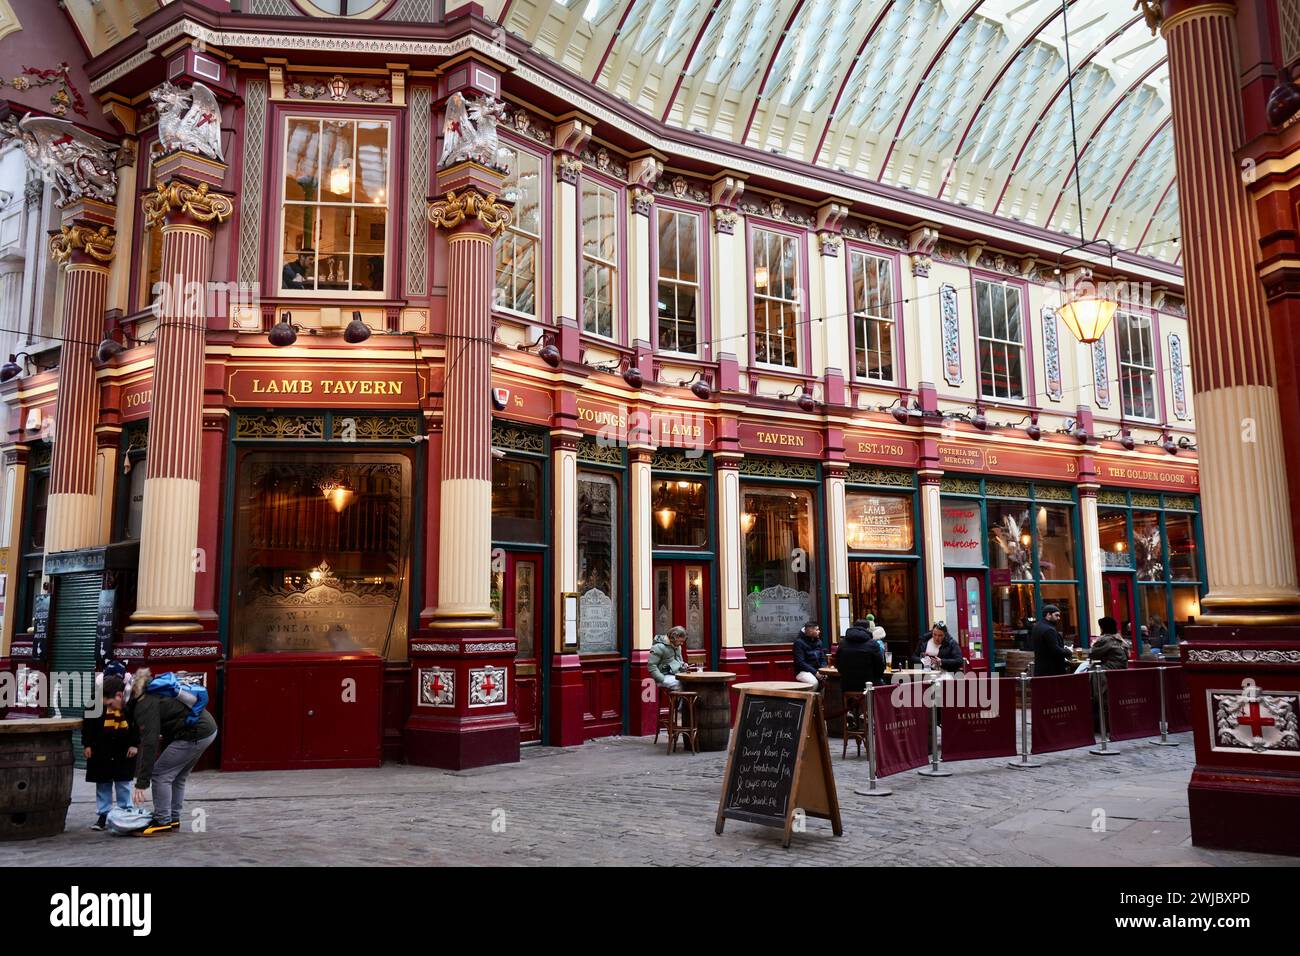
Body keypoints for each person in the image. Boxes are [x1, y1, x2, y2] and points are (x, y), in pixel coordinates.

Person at [127, 668, 218, 837]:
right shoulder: (148, 696)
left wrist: (142, 782)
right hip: (207, 729)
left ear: (121, 696)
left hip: (195, 733)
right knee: (176, 776)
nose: (109, 707)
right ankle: (172, 819)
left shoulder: (145, 704)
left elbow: (150, 742)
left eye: (109, 703)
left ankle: (162, 822)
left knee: (161, 774)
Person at [82, 675, 138, 832]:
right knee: (103, 782)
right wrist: (87, 744)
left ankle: (125, 812)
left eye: (111, 703)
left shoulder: (130, 704)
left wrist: (134, 744)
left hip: (123, 749)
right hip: (101, 748)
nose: (109, 706)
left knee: (123, 783)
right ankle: (104, 815)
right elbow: (88, 724)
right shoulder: (95, 702)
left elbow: (138, 724)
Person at [1032, 604, 1073, 676]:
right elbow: (1055, 649)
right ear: (1048, 615)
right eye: (1056, 615)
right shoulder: (1049, 629)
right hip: (1051, 670)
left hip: (1041, 669)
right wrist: (1068, 652)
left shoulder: (1038, 626)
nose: (1059, 618)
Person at [793, 621, 827, 686]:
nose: (819, 631)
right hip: (803, 671)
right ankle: (808, 696)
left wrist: (823, 670)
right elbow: (800, 662)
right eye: (817, 630)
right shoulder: (799, 643)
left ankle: (822, 696)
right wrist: (815, 672)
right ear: (810, 631)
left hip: (818, 670)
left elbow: (822, 659)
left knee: (830, 681)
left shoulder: (819, 642)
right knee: (814, 683)